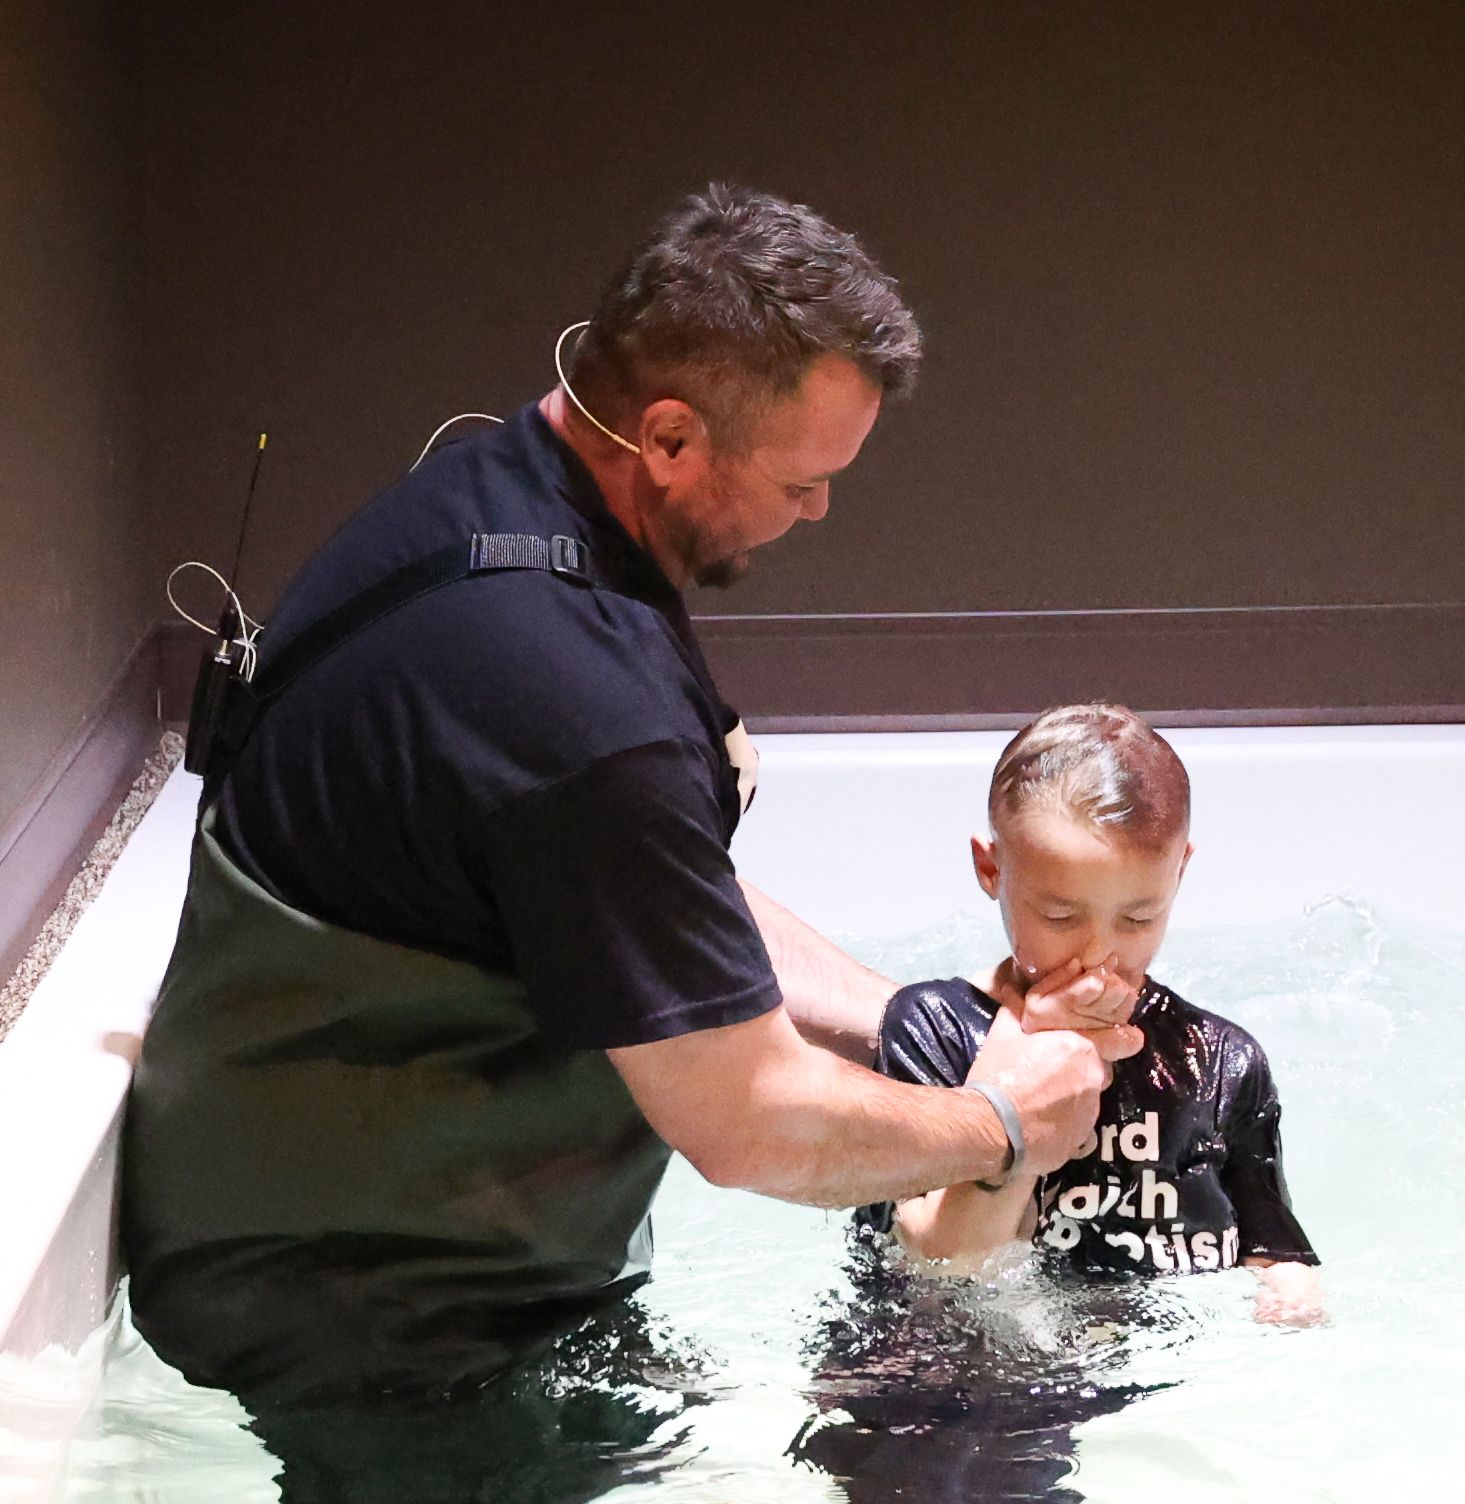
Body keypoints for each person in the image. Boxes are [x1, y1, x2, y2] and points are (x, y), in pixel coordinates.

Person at [123, 187, 1140, 1424]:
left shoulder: (488, 496)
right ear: (667, 438)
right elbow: (744, 1121)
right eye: (802, 479)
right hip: (383, 1327)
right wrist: (995, 1120)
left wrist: (903, 1020)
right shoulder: (575, 699)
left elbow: (642, 889)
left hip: (356, 1235)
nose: (819, 509)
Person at [863, 704, 1323, 1324]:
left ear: (1179, 872)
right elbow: (942, 1262)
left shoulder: (1222, 1060)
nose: (1099, 952)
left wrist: (1291, 1295)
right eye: (1059, 916)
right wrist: (1030, 1050)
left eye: (1138, 918)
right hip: (977, 1370)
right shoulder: (932, 1031)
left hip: (1165, 1361)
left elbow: (1274, 1249)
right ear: (991, 868)